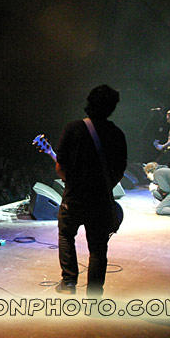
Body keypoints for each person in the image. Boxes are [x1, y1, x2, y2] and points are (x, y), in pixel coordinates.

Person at [54, 84, 127, 297]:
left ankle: (69, 283)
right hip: (101, 201)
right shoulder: (117, 134)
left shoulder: (72, 128)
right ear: (112, 108)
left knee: (66, 235)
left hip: (74, 198)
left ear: (89, 103)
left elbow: (60, 166)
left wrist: (72, 182)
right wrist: (105, 186)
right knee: (98, 249)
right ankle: (94, 297)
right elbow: (120, 170)